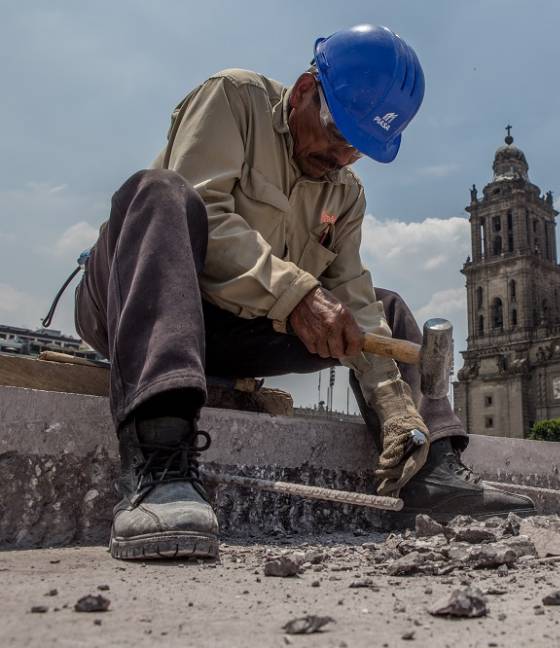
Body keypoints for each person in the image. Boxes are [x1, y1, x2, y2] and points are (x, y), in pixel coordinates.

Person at [72, 25, 533, 561]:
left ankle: (432, 472)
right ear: (302, 91)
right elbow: (207, 213)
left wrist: (393, 401)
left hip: (227, 331)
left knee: (384, 309)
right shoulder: (233, 99)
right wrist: (296, 293)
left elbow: (351, 292)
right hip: (140, 302)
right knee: (159, 193)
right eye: (337, 132)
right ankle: (157, 468)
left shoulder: (345, 193)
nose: (340, 155)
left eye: (358, 148)